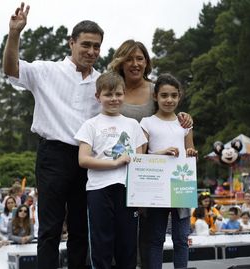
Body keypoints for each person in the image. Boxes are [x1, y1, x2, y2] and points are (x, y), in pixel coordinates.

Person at [3, 2, 104, 267]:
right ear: (71, 43)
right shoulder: (47, 71)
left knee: (81, 229)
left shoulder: (102, 82)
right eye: (86, 44)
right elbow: (11, 69)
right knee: (50, 227)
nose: (91, 51)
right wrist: (14, 34)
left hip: (87, 158)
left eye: (96, 46)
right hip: (53, 156)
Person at [108, 39, 193, 268]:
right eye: (129, 58)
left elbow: (172, 117)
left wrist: (185, 120)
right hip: (114, 168)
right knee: (118, 231)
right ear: (121, 61)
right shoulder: (112, 87)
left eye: (140, 58)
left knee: (151, 236)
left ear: (147, 62)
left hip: (153, 174)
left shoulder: (156, 89)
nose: (135, 63)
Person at [75, 71, 147, 268]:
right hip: (99, 190)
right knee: (101, 243)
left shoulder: (133, 125)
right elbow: (83, 159)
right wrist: (114, 163)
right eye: (108, 94)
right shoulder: (90, 125)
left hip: (127, 192)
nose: (114, 99)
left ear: (124, 94)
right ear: (98, 96)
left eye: (118, 94)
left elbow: (141, 161)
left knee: (128, 244)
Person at [138, 73, 197, 269]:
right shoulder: (146, 122)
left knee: (181, 239)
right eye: (164, 95)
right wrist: (161, 153)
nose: (169, 100)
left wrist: (191, 153)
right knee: (156, 239)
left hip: (181, 185)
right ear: (155, 96)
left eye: (173, 95)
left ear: (179, 96)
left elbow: (191, 153)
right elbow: (140, 157)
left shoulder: (185, 124)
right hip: (157, 187)